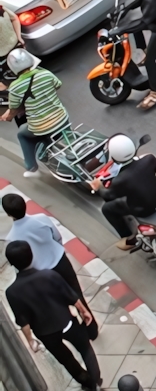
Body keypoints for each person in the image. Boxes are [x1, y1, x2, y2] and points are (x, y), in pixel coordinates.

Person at [5, 240, 104, 391]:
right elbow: (71, 296)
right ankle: (96, 381)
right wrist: (84, 311)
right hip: (67, 323)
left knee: (66, 360)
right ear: (31, 255)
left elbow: (23, 320)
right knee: (86, 349)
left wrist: (30, 340)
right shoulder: (49, 275)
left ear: (11, 263)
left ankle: (87, 383)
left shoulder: (12, 292)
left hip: (46, 333)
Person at [89, 134, 156, 245]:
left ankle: (127, 238)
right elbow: (154, 167)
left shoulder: (119, 181)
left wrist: (98, 187)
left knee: (107, 209)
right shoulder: (150, 160)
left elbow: (108, 196)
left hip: (143, 211)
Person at [3, 193, 90, 316]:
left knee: (60, 301)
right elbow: (58, 237)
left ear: (8, 214)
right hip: (60, 261)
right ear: (24, 205)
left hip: (43, 274)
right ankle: (92, 327)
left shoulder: (12, 238)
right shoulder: (41, 218)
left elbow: (20, 266)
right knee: (77, 293)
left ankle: (75, 328)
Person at [2, 50, 68, 178]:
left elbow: (14, 108)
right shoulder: (45, 73)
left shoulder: (15, 87)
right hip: (62, 118)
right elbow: (58, 85)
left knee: (22, 133)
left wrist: (7, 117)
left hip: (40, 127)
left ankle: (32, 168)